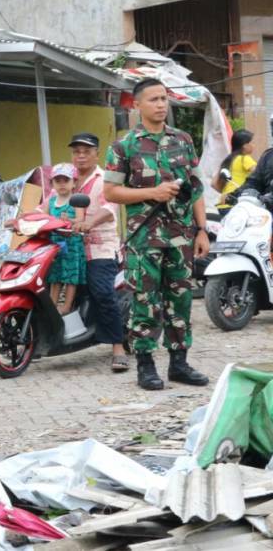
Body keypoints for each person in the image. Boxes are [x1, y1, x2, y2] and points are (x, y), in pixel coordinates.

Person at [104, 78, 209, 391]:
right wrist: (154, 192)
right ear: (136, 105)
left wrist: (202, 230)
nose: (161, 105)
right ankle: (146, 367)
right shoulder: (124, 146)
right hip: (144, 239)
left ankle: (179, 363)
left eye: (164, 99)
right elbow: (111, 192)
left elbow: (197, 189)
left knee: (181, 299)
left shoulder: (183, 140)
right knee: (145, 303)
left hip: (181, 236)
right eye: (153, 99)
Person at [68, 133, 126, 372]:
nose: (80, 155)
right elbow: (49, 202)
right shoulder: (66, 179)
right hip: (70, 247)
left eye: (86, 151)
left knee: (102, 293)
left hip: (100, 246)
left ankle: (118, 347)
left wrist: (89, 222)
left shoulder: (103, 179)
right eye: (76, 151)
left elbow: (108, 207)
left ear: (96, 154)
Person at [43, 163, 85, 315]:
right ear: (52, 184)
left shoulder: (76, 200)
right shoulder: (50, 201)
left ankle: (66, 307)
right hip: (54, 244)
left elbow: (80, 220)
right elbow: (43, 217)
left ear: (74, 182)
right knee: (55, 276)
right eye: (57, 181)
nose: (61, 184)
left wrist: (70, 220)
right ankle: (52, 306)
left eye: (65, 180)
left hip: (72, 244)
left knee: (70, 277)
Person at [214, 129, 256, 214]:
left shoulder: (228, 160)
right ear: (245, 145)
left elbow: (214, 184)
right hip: (237, 204)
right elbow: (259, 175)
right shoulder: (245, 159)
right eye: (252, 143)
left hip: (223, 205)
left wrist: (226, 192)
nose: (254, 145)